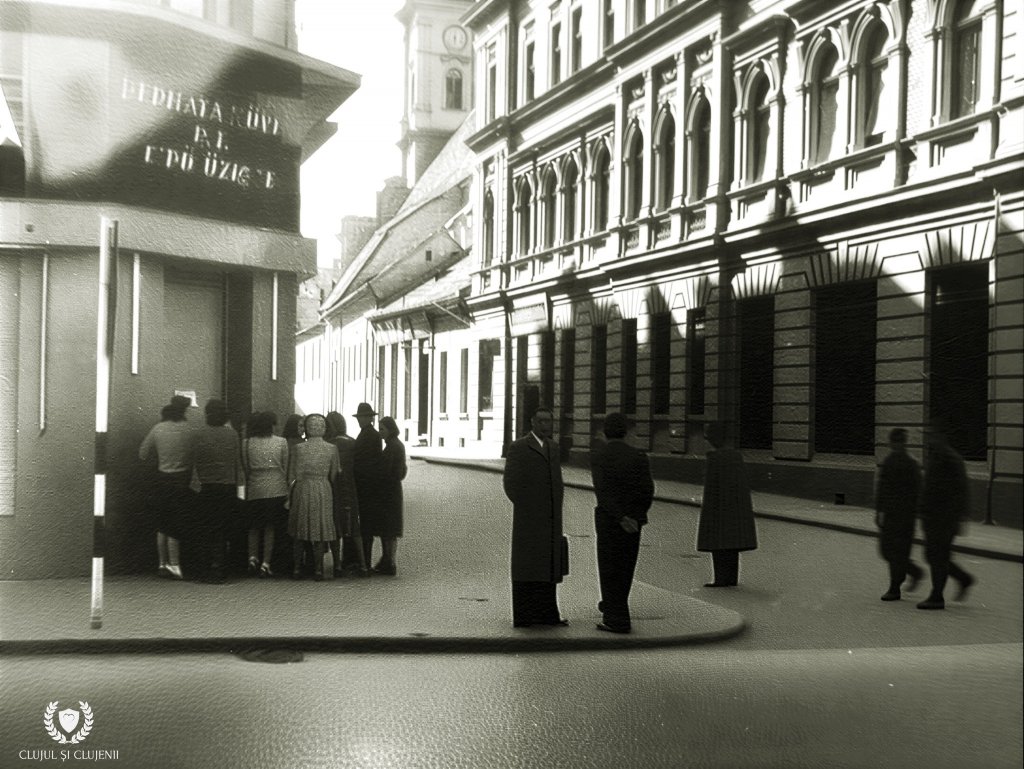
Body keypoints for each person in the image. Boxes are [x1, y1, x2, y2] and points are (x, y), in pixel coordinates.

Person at [502, 406, 567, 628]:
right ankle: (525, 616)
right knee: (527, 566)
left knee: (548, 567)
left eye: (548, 421)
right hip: (529, 520)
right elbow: (510, 483)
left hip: (550, 520)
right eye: (540, 421)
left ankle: (549, 614)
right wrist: (527, 506)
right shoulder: (519, 447)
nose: (545, 425)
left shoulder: (554, 447)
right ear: (532, 423)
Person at [590, 412, 654, 634]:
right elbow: (647, 491)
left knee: (608, 568)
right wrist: (634, 516)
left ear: (605, 432)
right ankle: (617, 609)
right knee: (626, 567)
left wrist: (620, 517)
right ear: (626, 432)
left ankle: (615, 618)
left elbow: (603, 493)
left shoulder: (599, 456)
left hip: (609, 521)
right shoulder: (638, 456)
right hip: (633, 525)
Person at [917, 420, 976, 610]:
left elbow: (962, 489)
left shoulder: (950, 458)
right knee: (933, 555)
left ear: (940, 437)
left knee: (937, 557)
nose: (927, 440)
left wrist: (960, 517)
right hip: (933, 517)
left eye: (930, 436)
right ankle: (964, 578)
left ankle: (936, 597)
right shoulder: (936, 456)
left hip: (944, 518)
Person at [138, 396, 194, 580]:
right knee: (175, 522)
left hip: (162, 478)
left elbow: (142, 453)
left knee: (162, 523)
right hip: (181, 479)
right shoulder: (188, 430)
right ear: (183, 411)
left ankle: (162, 563)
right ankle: (175, 565)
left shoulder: (158, 429)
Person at [696, 421, 758, 587]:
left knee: (718, 544)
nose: (707, 439)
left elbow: (711, 489)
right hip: (734, 507)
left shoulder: (714, 458)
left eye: (709, 436)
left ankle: (720, 579)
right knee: (732, 544)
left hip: (718, 508)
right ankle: (732, 578)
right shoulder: (736, 456)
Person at [191, 398, 239, 583]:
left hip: (206, 487)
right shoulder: (232, 435)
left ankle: (204, 570)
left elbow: (194, 460)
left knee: (206, 529)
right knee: (223, 530)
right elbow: (237, 463)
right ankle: (220, 570)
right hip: (227, 487)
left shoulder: (199, 434)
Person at [287, 413, 338, 580]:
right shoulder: (331, 448)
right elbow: (333, 474)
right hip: (323, 488)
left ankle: (296, 568)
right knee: (320, 529)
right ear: (324, 428)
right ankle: (318, 569)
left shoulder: (298, 448)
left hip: (303, 487)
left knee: (300, 529)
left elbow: (293, 473)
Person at [875, 427, 924, 601]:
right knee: (886, 550)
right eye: (894, 442)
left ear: (904, 443)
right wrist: (879, 510)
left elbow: (918, 491)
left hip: (904, 516)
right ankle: (915, 571)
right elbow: (882, 488)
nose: (897, 445)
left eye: (900, 442)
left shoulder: (911, 463)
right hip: (890, 514)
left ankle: (894, 588)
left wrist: (915, 513)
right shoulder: (888, 461)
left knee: (898, 552)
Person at [242, 411, 289, 578]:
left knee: (253, 527)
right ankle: (266, 563)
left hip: (255, 487)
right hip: (276, 487)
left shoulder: (246, 443)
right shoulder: (281, 442)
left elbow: (246, 468)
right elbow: (285, 466)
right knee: (270, 527)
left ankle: (252, 557)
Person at [325, 411, 367, 577]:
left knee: (335, 527)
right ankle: (363, 565)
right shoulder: (352, 442)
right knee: (354, 528)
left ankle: (337, 566)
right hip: (350, 487)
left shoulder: (328, 443)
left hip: (334, 488)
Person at [372, 416, 408, 576]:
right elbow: (403, 470)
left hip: (388, 491)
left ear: (390, 429)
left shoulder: (392, 447)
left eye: (382, 429)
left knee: (388, 529)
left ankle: (389, 562)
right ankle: (387, 560)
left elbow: (386, 471)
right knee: (390, 528)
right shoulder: (396, 445)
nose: (380, 433)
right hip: (393, 490)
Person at [352, 402, 383, 571]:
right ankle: (365, 561)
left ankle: (365, 562)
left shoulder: (368, 435)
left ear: (367, 418)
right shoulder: (371, 434)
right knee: (367, 525)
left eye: (361, 418)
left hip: (366, 486)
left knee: (366, 525)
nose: (359, 421)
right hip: (370, 486)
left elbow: (367, 461)